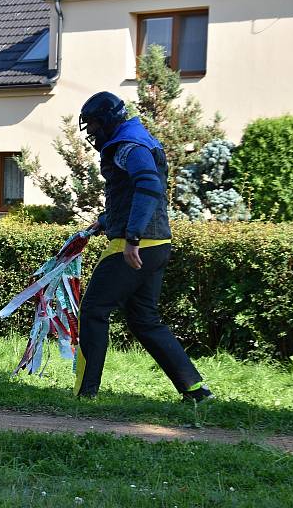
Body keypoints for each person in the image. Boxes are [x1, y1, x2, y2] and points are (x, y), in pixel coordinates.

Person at [74, 91, 213, 403]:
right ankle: (195, 390)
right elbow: (130, 193)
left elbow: (148, 185)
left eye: (94, 123)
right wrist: (105, 220)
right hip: (158, 242)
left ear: (108, 120)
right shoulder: (137, 139)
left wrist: (132, 237)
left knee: (94, 310)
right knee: (144, 319)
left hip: (135, 245)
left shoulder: (127, 146)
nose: (92, 131)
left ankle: (85, 394)